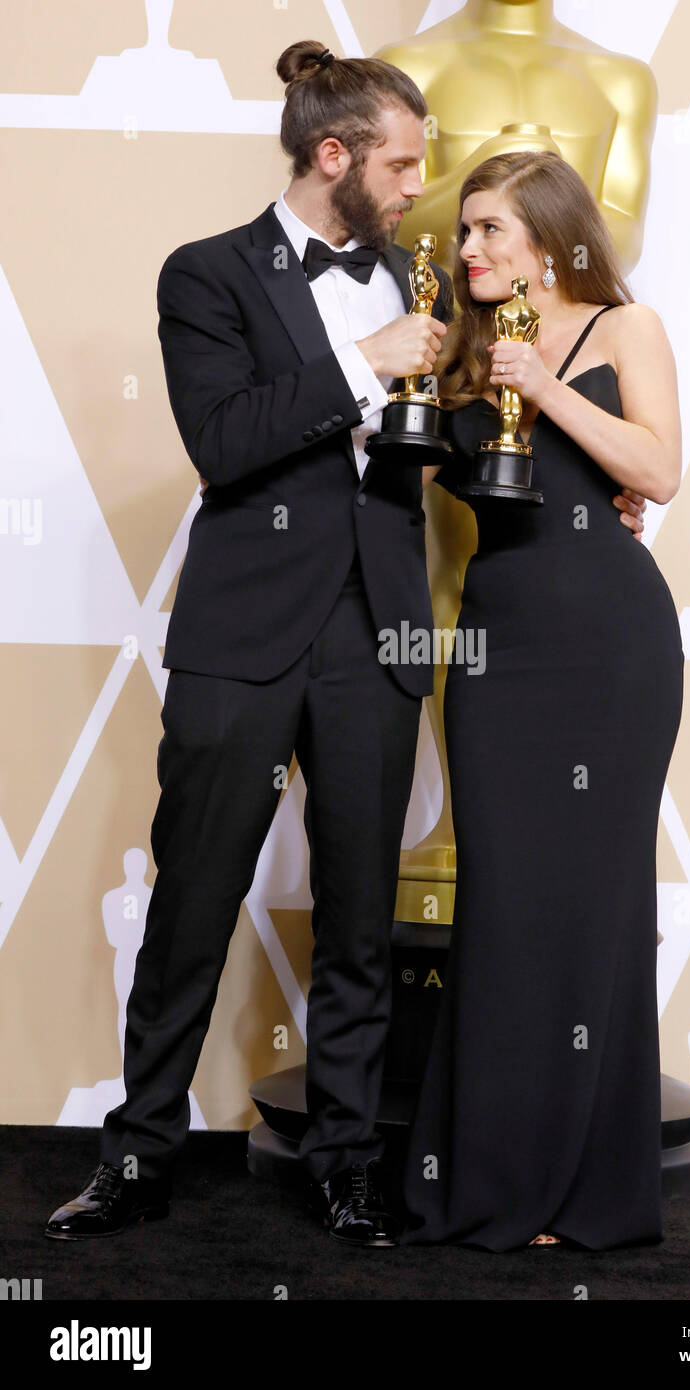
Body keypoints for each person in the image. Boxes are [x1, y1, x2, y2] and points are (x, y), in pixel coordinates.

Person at [44, 47, 646, 1251]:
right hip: (242, 634)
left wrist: (594, 490)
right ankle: (140, 1150)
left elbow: (491, 430)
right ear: (333, 157)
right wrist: (359, 366)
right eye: (402, 162)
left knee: (360, 917)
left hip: (378, 633)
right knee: (194, 900)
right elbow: (222, 441)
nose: (420, 184)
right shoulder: (207, 274)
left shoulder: (427, 286)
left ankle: (348, 1163)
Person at [401, 150, 684, 1252]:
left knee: (595, 905)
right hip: (495, 652)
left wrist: (547, 387)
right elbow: (404, 483)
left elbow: (657, 474)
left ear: (551, 234)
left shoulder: (625, 328)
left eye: (489, 231)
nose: (468, 248)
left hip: (611, 652)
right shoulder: (459, 354)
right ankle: (494, 1180)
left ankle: (587, 1192)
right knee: (507, 906)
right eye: (463, 231)